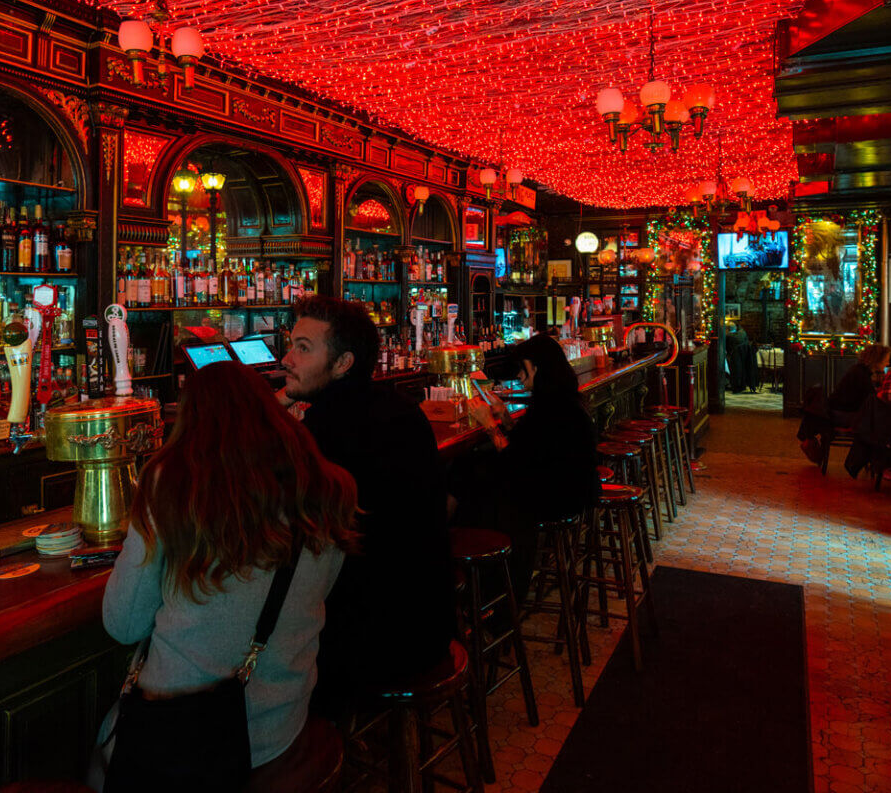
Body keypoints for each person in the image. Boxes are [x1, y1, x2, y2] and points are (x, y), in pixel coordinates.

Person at [102, 361, 359, 776]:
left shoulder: (168, 485)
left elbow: (123, 624)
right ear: (269, 406)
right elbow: (320, 590)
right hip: (281, 721)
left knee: (101, 758)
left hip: (184, 735)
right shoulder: (329, 486)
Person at [280, 295, 455, 710]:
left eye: (303, 348)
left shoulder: (322, 435)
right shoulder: (400, 409)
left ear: (343, 364)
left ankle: (306, 746)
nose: (287, 359)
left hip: (371, 644)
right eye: (291, 344)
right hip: (431, 622)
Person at [454, 335, 600, 592]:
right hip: (575, 493)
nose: (520, 376)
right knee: (472, 470)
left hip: (554, 499)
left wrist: (490, 427)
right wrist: (507, 420)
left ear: (537, 367)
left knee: (466, 476)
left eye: (523, 368)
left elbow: (516, 462)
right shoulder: (561, 400)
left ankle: (481, 582)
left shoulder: (550, 408)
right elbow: (532, 448)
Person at [829, 343, 891, 422]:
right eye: (886, 360)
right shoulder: (861, 375)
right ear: (877, 360)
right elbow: (870, 402)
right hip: (844, 415)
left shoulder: (859, 370)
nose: (888, 363)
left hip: (838, 412)